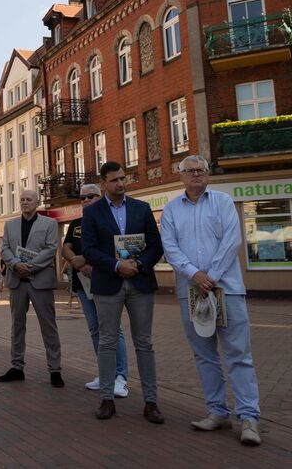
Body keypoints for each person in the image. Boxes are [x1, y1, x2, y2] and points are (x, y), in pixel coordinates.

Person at [160, 155, 261, 445]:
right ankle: (217, 412)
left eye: (201, 170)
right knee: (204, 355)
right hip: (191, 293)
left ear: (207, 174)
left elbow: (232, 241)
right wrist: (194, 275)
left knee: (239, 355)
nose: (196, 175)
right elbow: (170, 247)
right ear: (181, 176)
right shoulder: (171, 210)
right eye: (190, 171)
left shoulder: (223, 202)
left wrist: (211, 275)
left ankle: (249, 418)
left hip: (226, 289)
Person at [82, 161, 164, 423]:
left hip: (140, 282)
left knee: (145, 342)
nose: (121, 183)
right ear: (104, 183)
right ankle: (107, 399)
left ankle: (151, 402)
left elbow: (155, 245)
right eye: (115, 180)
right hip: (108, 283)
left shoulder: (141, 208)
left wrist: (138, 264)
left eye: (122, 178)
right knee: (107, 341)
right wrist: (117, 264)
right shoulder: (93, 212)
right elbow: (90, 249)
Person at [61, 183, 129, 397]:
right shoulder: (76, 224)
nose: (86, 200)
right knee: (95, 329)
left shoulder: (110, 221)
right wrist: (77, 262)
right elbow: (66, 247)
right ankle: (105, 373)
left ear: (100, 197)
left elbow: (118, 251)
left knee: (112, 330)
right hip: (84, 284)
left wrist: (92, 263)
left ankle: (121, 377)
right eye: (82, 197)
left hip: (107, 283)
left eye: (90, 196)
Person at [0, 189, 63, 387]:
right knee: (17, 325)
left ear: (37, 202)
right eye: (22, 199)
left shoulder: (50, 223)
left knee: (48, 326)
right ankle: (17, 366)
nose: (25, 202)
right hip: (17, 280)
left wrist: (31, 266)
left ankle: (55, 370)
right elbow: (5, 248)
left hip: (40, 280)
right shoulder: (10, 225)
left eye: (29, 199)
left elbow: (51, 248)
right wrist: (15, 265)